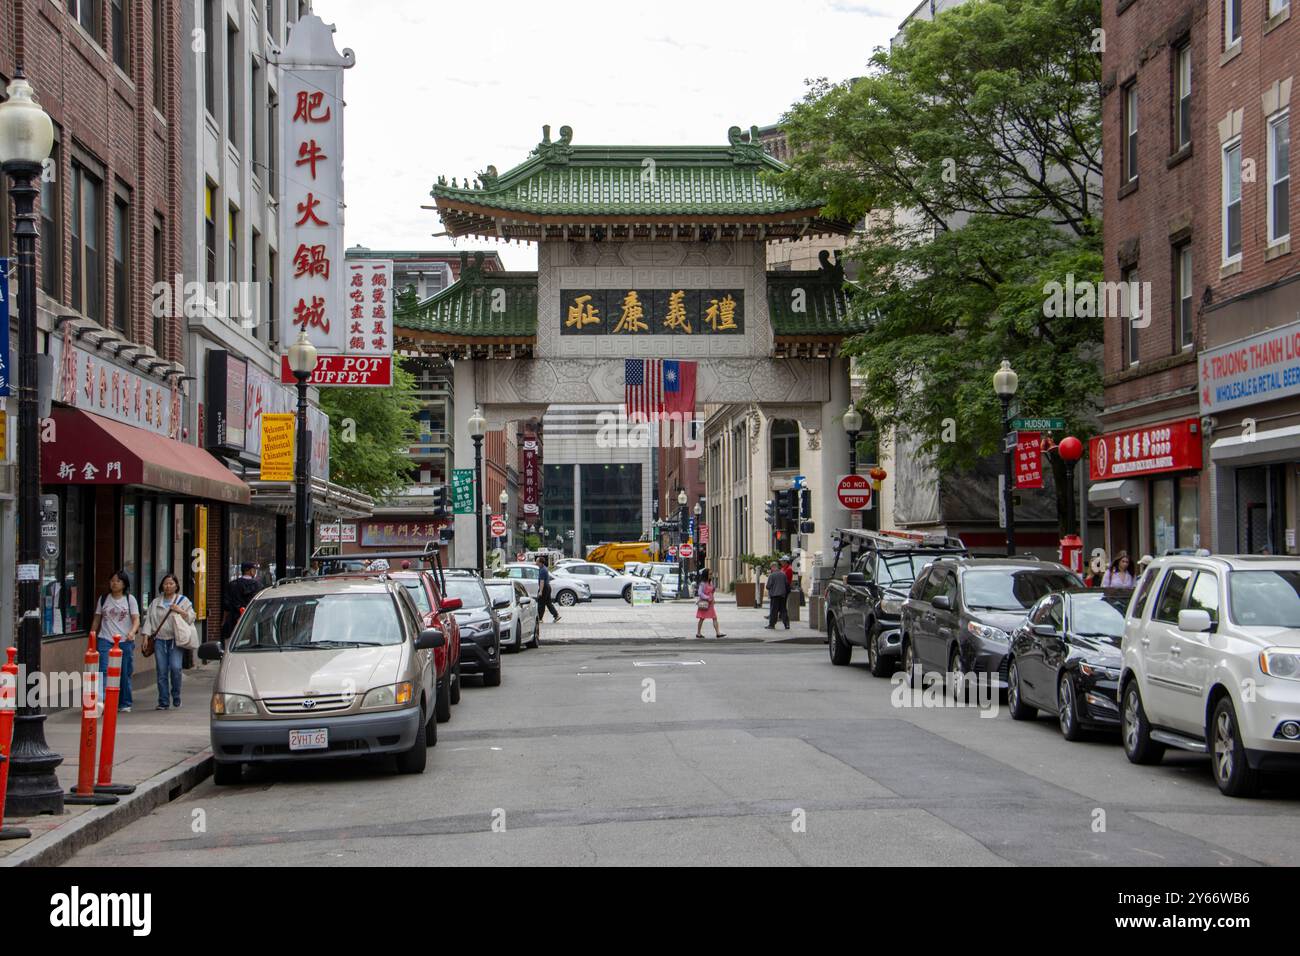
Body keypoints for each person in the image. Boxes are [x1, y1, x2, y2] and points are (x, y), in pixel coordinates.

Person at [142, 573, 195, 711]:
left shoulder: (183, 601)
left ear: (176, 585)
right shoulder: (155, 602)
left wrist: (180, 610)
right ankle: (163, 701)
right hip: (159, 640)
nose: (168, 586)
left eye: (171, 583)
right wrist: (145, 637)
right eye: (165, 583)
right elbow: (149, 621)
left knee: (176, 668)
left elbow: (191, 618)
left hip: (176, 640)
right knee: (161, 671)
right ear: (162, 586)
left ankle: (176, 695)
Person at [90, 570, 140, 712]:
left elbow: (136, 619)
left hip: (125, 640)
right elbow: (97, 618)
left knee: (124, 672)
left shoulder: (130, 599)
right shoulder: (104, 598)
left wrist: (132, 632)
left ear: (124, 584)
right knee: (103, 670)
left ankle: (124, 703)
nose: (114, 583)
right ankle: (103, 702)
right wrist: (92, 635)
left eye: (117, 581)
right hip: (105, 639)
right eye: (112, 580)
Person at [222, 562, 262, 645]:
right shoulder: (258, 586)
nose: (255, 571)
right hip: (253, 622)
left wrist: (224, 620)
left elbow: (226, 606)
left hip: (234, 621)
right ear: (250, 571)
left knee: (232, 645)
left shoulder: (232, 585)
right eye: (254, 569)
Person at [694, 569, 726, 639]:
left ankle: (718, 633)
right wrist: (707, 597)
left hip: (710, 604)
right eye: (710, 574)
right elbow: (700, 593)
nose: (711, 575)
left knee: (714, 617)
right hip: (704, 603)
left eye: (711, 574)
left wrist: (713, 598)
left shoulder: (710, 583)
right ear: (706, 575)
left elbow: (711, 591)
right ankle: (698, 633)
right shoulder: (702, 583)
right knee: (702, 618)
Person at [764, 561, 790, 630]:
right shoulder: (783, 574)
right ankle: (787, 624)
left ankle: (771, 625)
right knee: (783, 610)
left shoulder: (772, 575)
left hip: (775, 596)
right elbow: (787, 584)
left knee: (774, 611)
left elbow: (768, 586)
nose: (771, 569)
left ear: (773, 567)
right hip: (783, 596)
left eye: (771, 567)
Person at [536, 557, 561, 623]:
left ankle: (540, 619)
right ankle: (556, 615)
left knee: (541, 604)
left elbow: (542, 581)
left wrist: (540, 591)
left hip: (544, 588)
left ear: (540, 562)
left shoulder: (542, 570)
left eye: (537, 561)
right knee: (548, 603)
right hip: (547, 587)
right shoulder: (543, 568)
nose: (536, 562)